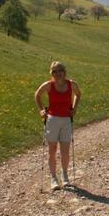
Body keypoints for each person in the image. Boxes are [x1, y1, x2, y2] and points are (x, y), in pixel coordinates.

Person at [34, 61, 81, 190]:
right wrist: (41, 110)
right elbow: (37, 95)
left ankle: (65, 176)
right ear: (52, 73)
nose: (58, 73)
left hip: (66, 120)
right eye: (55, 71)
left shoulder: (72, 84)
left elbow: (78, 95)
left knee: (65, 151)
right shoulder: (49, 85)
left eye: (60, 70)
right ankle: (53, 178)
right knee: (52, 150)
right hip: (52, 120)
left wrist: (74, 108)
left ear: (64, 72)